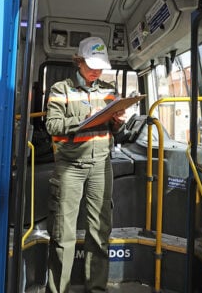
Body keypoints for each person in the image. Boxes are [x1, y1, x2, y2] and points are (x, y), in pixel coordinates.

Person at [45, 36, 127, 293]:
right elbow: (52, 125)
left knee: (99, 233)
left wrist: (117, 121)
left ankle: (97, 289)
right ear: (78, 62)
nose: (96, 71)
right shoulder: (61, 89)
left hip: (101, 167)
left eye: (100, 66)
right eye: (91, 65)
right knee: (63, 235)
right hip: (70, 167)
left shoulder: (108, 90)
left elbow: (117, 132)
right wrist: (87, 120)